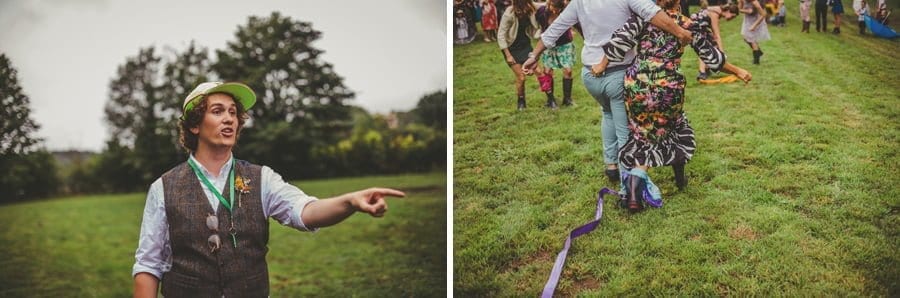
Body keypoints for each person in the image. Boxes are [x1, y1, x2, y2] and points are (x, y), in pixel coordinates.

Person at [132, 82, 405, 297]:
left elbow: (305, 211)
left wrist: (350, 202)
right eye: (217, 111)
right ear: (194, 124)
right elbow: (149, 264)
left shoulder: (262, 178)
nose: (229, 119)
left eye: (233, 112)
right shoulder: (163, 188)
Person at [593, 0, 752, 211]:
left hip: (638, 83)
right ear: (678, 2)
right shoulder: (686, 24)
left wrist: (601, 65)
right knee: (675, 129)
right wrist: (738, 71)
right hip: (668, 86)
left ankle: (640, 190)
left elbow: (619, 43)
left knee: (643, 134)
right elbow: (712, 58)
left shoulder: (643, 18)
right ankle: (646, 188)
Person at [522, 0, 693, 183]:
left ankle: (611, 165)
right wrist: (680, 32)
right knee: (625, 129)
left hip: (589, 73)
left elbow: (554, 30)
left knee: (607, 113)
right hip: (617, 71)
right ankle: (627, 182)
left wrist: (534, 56)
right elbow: (653, 13)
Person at [497, 0, 540, 110]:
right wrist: (508, 55)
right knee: (521, 77)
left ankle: (550, 99)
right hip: (511, 48)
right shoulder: (509, 13)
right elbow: (501, 35)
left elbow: (545, 5)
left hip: (525, 45)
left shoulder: (530, 7)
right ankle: (521, 102)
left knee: (539, 72)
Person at [535, 0, 577, 108]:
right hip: (549, 45)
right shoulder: (541, 12)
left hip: (564, 43)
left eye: (558, 9)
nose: (555, 10)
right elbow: (540, 27)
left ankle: (567, 99)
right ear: (549, 4)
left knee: (568, 70)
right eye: (554, 7)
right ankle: (550, 100)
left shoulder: (565, 10)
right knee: (548, 71)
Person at [696, 2, 741, 80]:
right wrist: (722, 53)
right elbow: (717, 36)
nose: (731, 19)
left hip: (701, 27)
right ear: (728, 11)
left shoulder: (718, 9)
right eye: (732, 16)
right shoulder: (715, 14)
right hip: (696, 28)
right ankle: (702, 72)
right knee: (704, 48)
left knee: (711, 45)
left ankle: (707, 69)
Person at [740, 0, 771, 64]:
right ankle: (758, 52)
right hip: (748, 20)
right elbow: (739, 9)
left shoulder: (755, 2)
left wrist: (754, 26)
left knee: (752, 40)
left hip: (756, 20)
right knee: (745, 38)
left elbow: (763, 14)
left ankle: (756, 61)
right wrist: (745, 9)